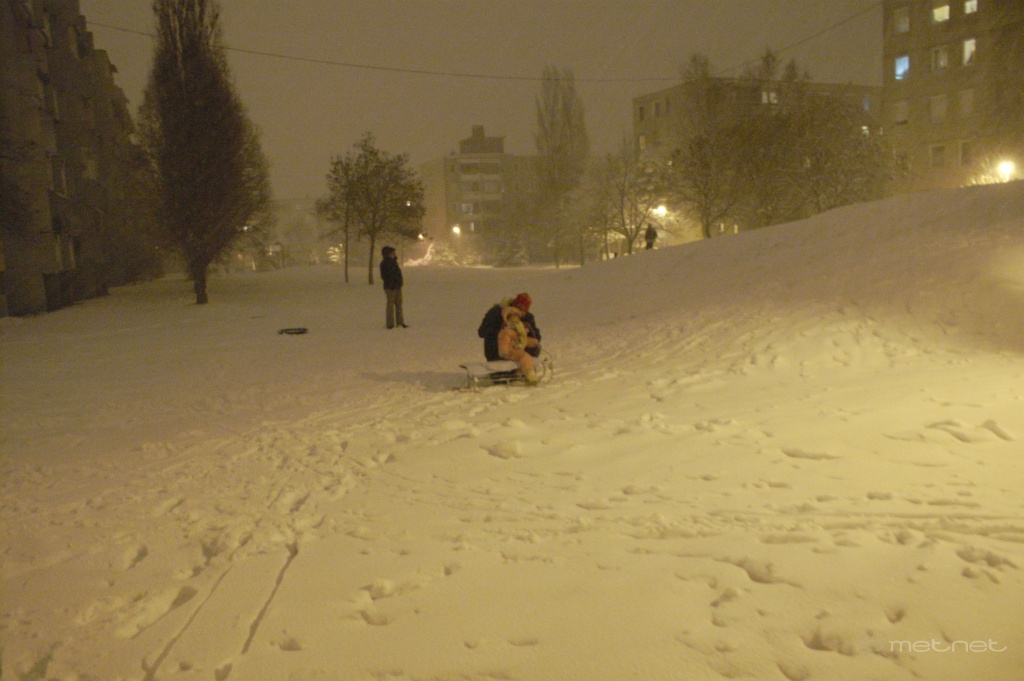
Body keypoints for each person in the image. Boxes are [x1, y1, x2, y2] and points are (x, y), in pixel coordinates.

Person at [478, 292, 540, 361]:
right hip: (497, 352)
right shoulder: (496, 312)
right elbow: (482, 332)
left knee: (534, 344)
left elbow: (536, 336)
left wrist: (523, 333)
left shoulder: (527, 318)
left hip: (520, 351)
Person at [497, 305, 539, 384]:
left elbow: (523, 340)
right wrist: (504, 351)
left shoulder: (518, 330)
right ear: (507, 319)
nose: (514, 319)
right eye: (511, 317)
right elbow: (503, 341)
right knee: (525, 357)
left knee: (523, 356)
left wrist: (533, 342)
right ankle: (530, 374)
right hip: (510, 351)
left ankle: (520, 374)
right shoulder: (506, 331)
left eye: (516, 317)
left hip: (517, 350)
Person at [379, 246, 406, 329]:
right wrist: (392, 283)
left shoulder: (394, 262)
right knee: (390, 305)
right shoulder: (384, 263)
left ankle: (400, 322)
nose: (394, 254)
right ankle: (390, 324)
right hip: (390, 287)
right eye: (393, 252)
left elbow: (397, 274)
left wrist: (399, 283)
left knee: (399, 304)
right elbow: (385, 276)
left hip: (397, 286)